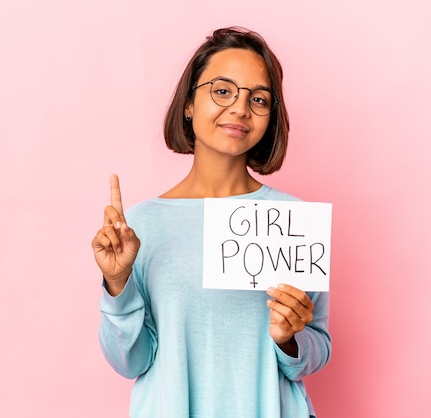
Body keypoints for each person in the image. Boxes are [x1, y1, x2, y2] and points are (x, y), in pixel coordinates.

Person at [91, 27, 331, 418]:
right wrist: (117, 285)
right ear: (189, 103)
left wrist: (291, 339)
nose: (239, 108)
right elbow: (129, 362)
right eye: (223, 91)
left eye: (258, 99)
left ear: (270, 117)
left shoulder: (294, 220)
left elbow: (316, 351)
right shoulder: (139, 227)